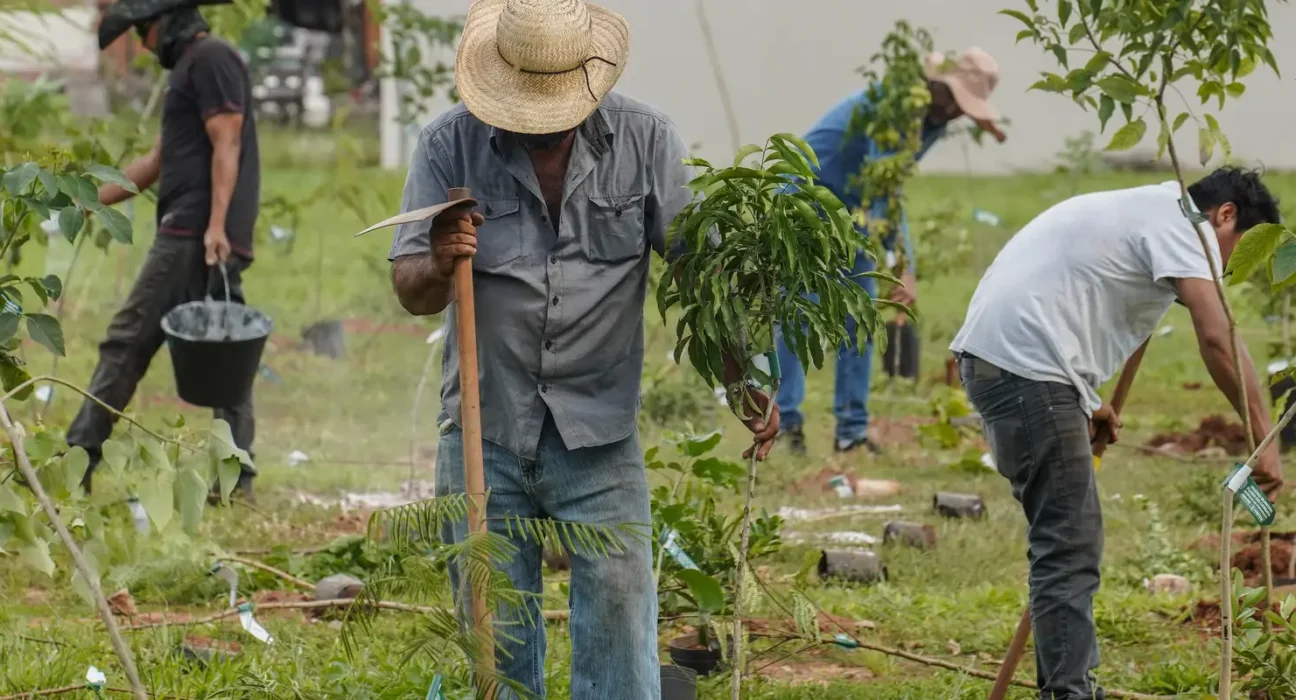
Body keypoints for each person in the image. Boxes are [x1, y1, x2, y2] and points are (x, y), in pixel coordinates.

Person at [385, 1, 778, 697]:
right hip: (486, 426)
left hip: (599, 433)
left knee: (621, 618)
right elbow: (410, 288)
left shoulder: (646, 141)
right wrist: (440, 261)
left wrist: (741, 379)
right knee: (495, 637)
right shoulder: (449, 145)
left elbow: (700, 276)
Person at [951, 166, 1285, 699]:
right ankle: (1070, 694)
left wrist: (1088, 399)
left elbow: (1077, 292)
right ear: (1224, 216)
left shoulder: (1150, 210)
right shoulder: (1183, 225)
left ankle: (1067, 687)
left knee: (1064, 538)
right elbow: (1217, 337)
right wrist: (1262, 438)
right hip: (1028, 370)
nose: (1226, 270)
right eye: (1235, 252)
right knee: (1069, 543)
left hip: (1009, 363)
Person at [776, 48, 1007, 456]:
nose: (957, 112)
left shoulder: (934, 121)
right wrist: (902, 265)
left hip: (854, 208)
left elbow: (888, 187)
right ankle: (784, 425)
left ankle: (851, 433)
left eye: (965, 107)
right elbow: (881, 187)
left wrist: (900, 261)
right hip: (808, 199)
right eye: (957, 100)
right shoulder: (893, 110)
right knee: (801, 312)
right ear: (937, 87)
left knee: (859, 318)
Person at [71, 0, 260, 495]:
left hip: (195, 233)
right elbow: (158, 160)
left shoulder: (211, 58)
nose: (143, 43)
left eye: (143, 31)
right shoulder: (190, 69)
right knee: (226, 354)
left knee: (126, 341)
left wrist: (215, 226)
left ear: (168, 21)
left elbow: (228, 142)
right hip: (199, 232)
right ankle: (235, 481)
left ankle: (76, 460)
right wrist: (86, 199)